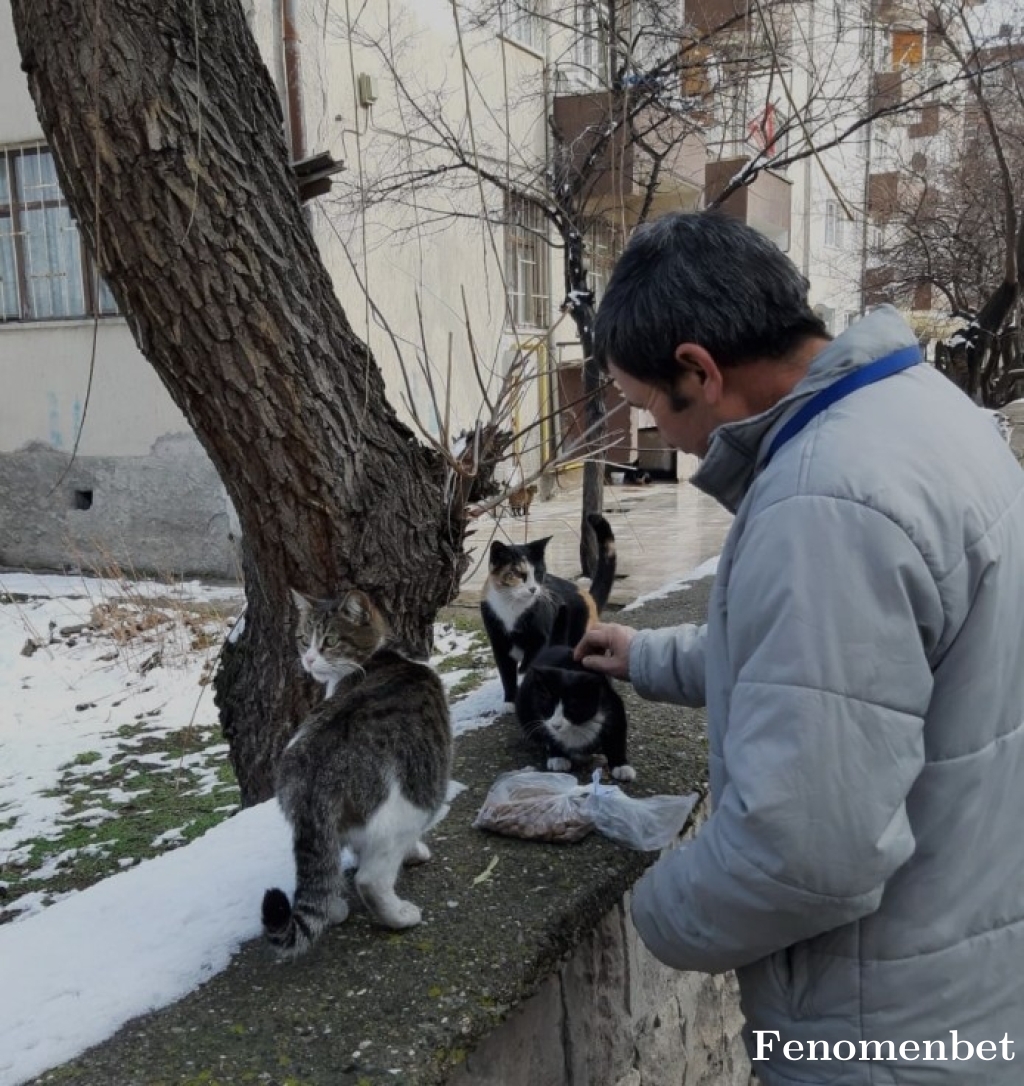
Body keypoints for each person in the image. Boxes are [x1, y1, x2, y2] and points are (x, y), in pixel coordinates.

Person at [575, 211, 1024, 1084]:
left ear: (698, 371)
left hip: (878, 1030)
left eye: (644, 407)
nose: (657, 435)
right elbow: (852, 671)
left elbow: (806, 855)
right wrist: (646, 655)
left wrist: (656, 911)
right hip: (968, 970)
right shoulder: (926, 414)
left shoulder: (823, 499)